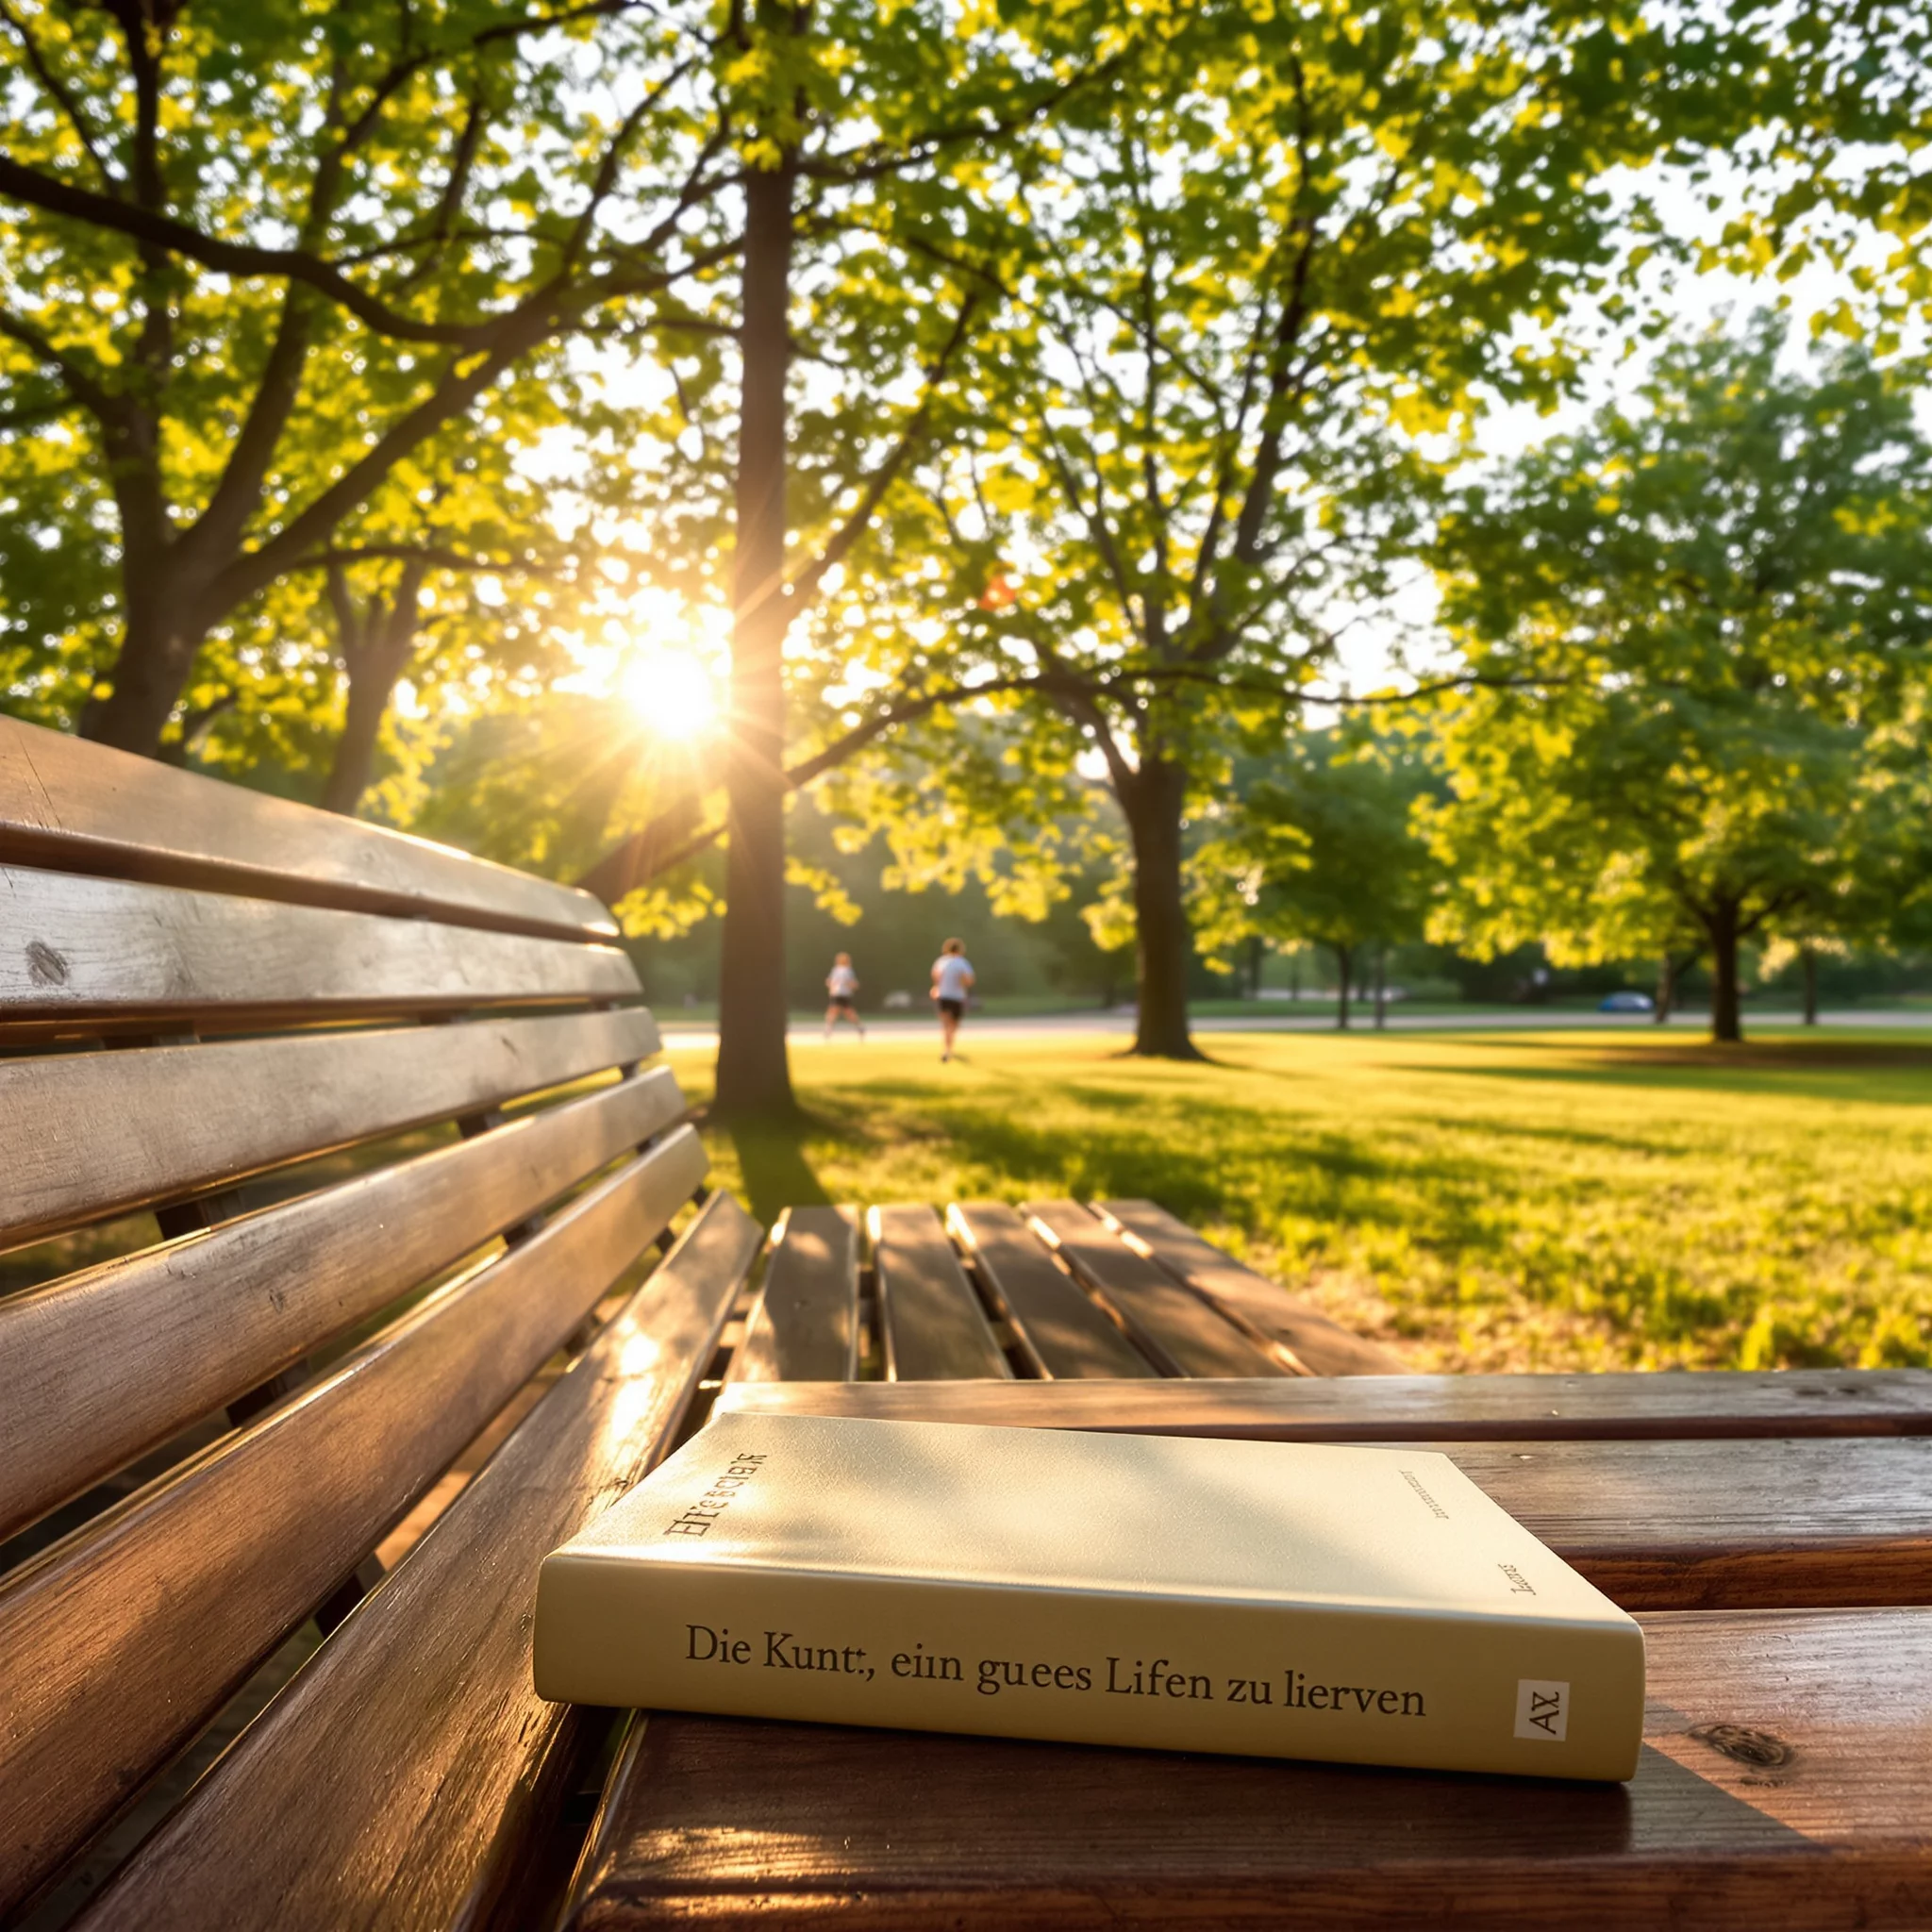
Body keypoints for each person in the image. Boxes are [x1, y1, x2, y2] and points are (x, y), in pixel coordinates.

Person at [929, 937, 975, 1061]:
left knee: (945, 1024)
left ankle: (947, 1049)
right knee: (954, 1024)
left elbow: (935, 976)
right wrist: (961, 984)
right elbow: (969, 980)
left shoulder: (941, 961)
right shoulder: (962, 962)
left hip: (943, 995)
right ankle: (948, 1049)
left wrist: (936, 987)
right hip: (956, 996)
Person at [824, 952, 865, 1041]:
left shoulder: (835, 970)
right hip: (844, 994)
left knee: (833, 1012)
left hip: (836, 993)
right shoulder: (848, 970)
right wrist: (855, 985)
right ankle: (859, 1027)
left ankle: (828, 1029)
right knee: (847, 1012)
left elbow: (830, 981)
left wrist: (831, 987)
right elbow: (850, 982)